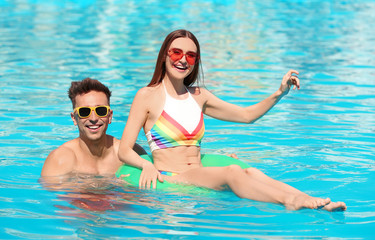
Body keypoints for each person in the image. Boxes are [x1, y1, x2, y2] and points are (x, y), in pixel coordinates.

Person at [118, 29, 347, 211]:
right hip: (172, 177)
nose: (183, 60)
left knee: (250, 172)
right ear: (164, 56)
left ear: (195, 61)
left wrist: (279, 93)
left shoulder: (199, 96)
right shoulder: (147, 96)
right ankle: (289, 201)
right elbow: (125, 150)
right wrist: (145, 165)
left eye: (190, 55)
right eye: (176, 52)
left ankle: (309, 199)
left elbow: (246, 116)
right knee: (231, 172)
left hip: (198, 171)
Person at [41, 77, 146, 178]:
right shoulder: (60, 159)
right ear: (74, 119)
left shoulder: (131, 152)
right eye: (84, 112)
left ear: (110, 116)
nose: (93, 118)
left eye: (100, 110)